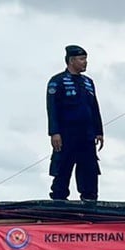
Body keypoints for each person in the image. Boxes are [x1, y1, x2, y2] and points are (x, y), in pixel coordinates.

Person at [46, 45, 104, 201]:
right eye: (82, 59)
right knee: (63, 167)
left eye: (85, 59)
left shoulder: (88, 82)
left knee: (89, 169)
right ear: (71, 61)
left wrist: (99, 131)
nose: (85, 62)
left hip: (86, 134)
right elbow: (52, 109)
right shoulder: (57, 81)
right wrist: (54, 132)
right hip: (66, 134)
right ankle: (59, 199)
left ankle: (90, 200)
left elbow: (94, 107)